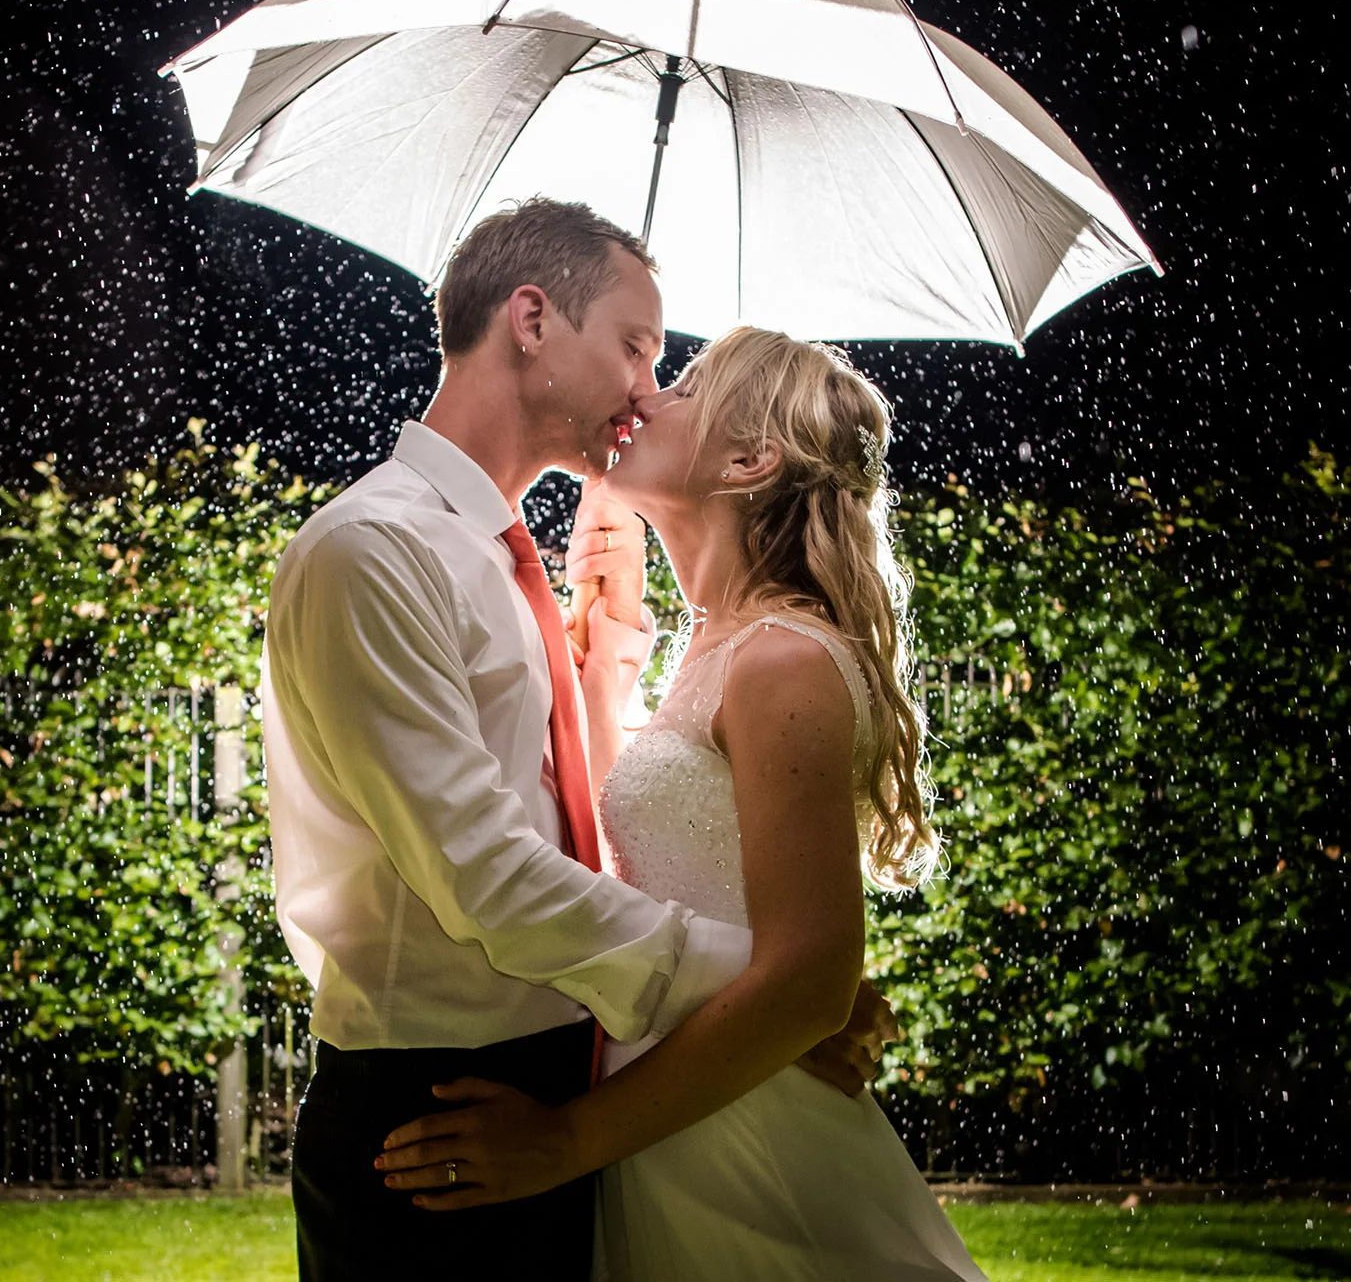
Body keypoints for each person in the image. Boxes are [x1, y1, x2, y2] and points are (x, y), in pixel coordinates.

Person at [261, 201, 895, 1280]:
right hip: (434, 1113)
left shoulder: (503, 568)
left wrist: (605, 668)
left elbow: (586, 835)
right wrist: (760, 985)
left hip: (567, 1092)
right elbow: (488, 876)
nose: (647, 387)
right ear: (530, 320)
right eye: (638, 347)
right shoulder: (375, 552)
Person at [378, 325, 989, 1282]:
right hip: (688, 1133)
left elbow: (810, 980)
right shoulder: (718, 648)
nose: (651, 391)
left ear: (749, 460)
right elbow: (657, 862)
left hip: (755, 1144)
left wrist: (563, 1142)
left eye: (689, 384)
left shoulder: (785, 661)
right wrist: (609, 651)